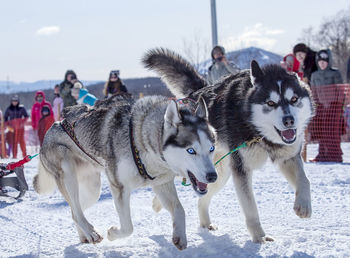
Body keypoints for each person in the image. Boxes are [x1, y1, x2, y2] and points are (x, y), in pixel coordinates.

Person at [310, 49, 344, 162]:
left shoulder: (335, 73)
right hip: (320, 107)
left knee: (333, 132)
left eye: (324, 61)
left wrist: (339, 105)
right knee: (322, 131)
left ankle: (335, 155)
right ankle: (322, 154)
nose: (322, 63)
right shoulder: (314, 75)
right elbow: (313, 91)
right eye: (320, 61)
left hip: (334, 106)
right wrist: (314, 105)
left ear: (329, 61)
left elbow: (340, 89)